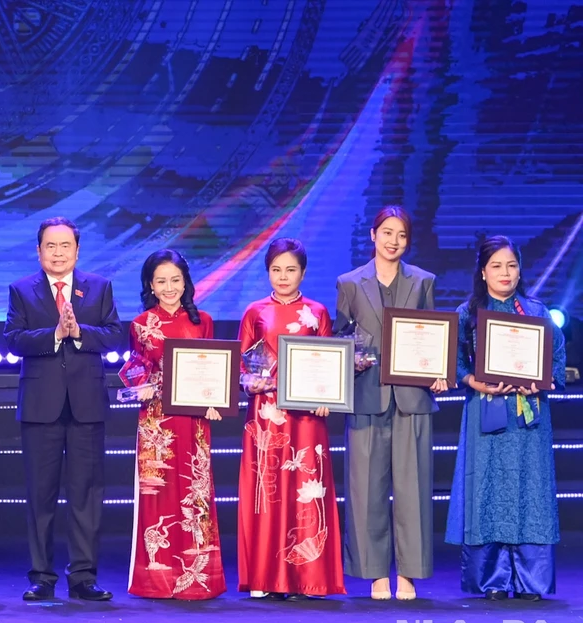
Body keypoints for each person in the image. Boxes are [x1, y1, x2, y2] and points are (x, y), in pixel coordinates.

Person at [2, 216, 123, 602]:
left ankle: (84, 576)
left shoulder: (99, 288)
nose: (58, 253)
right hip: (40, 406)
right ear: (38, 251)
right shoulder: (22, 290)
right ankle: (41, 576)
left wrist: (79, 333)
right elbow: (14, 339)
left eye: (65, 246)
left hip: (87, 405)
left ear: (77, 250)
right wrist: (54, 335)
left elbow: (115, 334)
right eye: (50, 246)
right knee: (41, 494)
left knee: (86, 493)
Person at [446, 236, 565, 601]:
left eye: (511, 265)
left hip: (529, 422)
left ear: (520, 269)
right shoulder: (467, 315)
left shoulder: (536, 312)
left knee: (530, 490)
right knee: (488, 490)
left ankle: (531, 580)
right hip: (486, 415)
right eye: (496, 265)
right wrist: (471, 379)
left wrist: (542, 381)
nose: (505, 272)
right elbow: (455, 362)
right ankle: (492, 579)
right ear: (483, 272)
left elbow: (557, 359)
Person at [336, 207, 446, 600]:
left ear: (408, 240)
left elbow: (434, 335)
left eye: (400, 234)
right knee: (366, 489)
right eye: (386, 232)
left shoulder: (423, 281)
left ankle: (410, 574)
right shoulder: (349, 283)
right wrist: (350, 358)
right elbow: (341, 338)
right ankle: (375, 573)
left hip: (412, 396)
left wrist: (438, 370)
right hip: (366, 395)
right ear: (372, 235)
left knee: (413, 488)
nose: (393, 240)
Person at [236, 237, 345, 600]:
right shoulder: (254, 312)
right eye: (276, 270)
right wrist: (254, 382)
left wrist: (328, 395)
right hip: (267, 416)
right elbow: (242, 367)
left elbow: (331, 364)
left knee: (305, 493)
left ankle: (307, 578)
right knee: (267, 492)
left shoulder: (317, 312)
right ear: (267, 271)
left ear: (304, 272)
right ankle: (265, 577)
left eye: (291, 270)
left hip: (308, 418)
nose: (283, 277)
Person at [127, 249, 226, 600]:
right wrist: (141, 384)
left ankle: (198, 579)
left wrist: (217, 400)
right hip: (156, 422)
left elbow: (216, 369)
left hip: (194, 421)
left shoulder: (204, 321)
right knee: (158, 495)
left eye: (176, 280)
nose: (169, 288)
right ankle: (157, 579)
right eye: (161, 281)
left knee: (193, 495)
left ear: (186, 283)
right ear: (150, 286)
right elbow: (134, 368)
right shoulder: (140, 324)